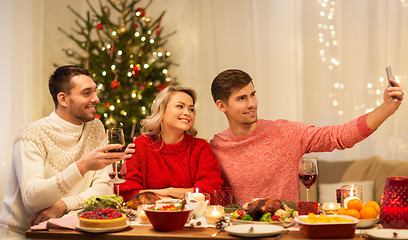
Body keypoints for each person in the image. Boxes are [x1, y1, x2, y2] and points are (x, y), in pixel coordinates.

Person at [209, 69, 404, 204]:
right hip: (237, 233)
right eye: (241, 98)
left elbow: (339, 136)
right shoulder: (215, 148)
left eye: (252, 94)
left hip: (285, 233)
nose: (251, 103)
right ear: (221, 106)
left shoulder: (286, 133)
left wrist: (387, 108)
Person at [0, 65, 126, 236]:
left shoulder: (95, 128)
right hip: (24, 234)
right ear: (63, 99)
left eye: (94, 91)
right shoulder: (31, 134)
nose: (96, 98)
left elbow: (104, 188)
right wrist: (81, 167)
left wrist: (63, 205)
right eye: (86, 93)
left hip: (72, 231)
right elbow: (32, 199)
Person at [119, 86, 223, 202]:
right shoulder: (141, 144)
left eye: (191, 109)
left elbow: (209, 193)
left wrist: (168, 191)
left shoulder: (200, 148)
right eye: (180, 106)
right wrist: (180, 195)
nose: (187, 113)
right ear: (161, 112)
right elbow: (126, 192)